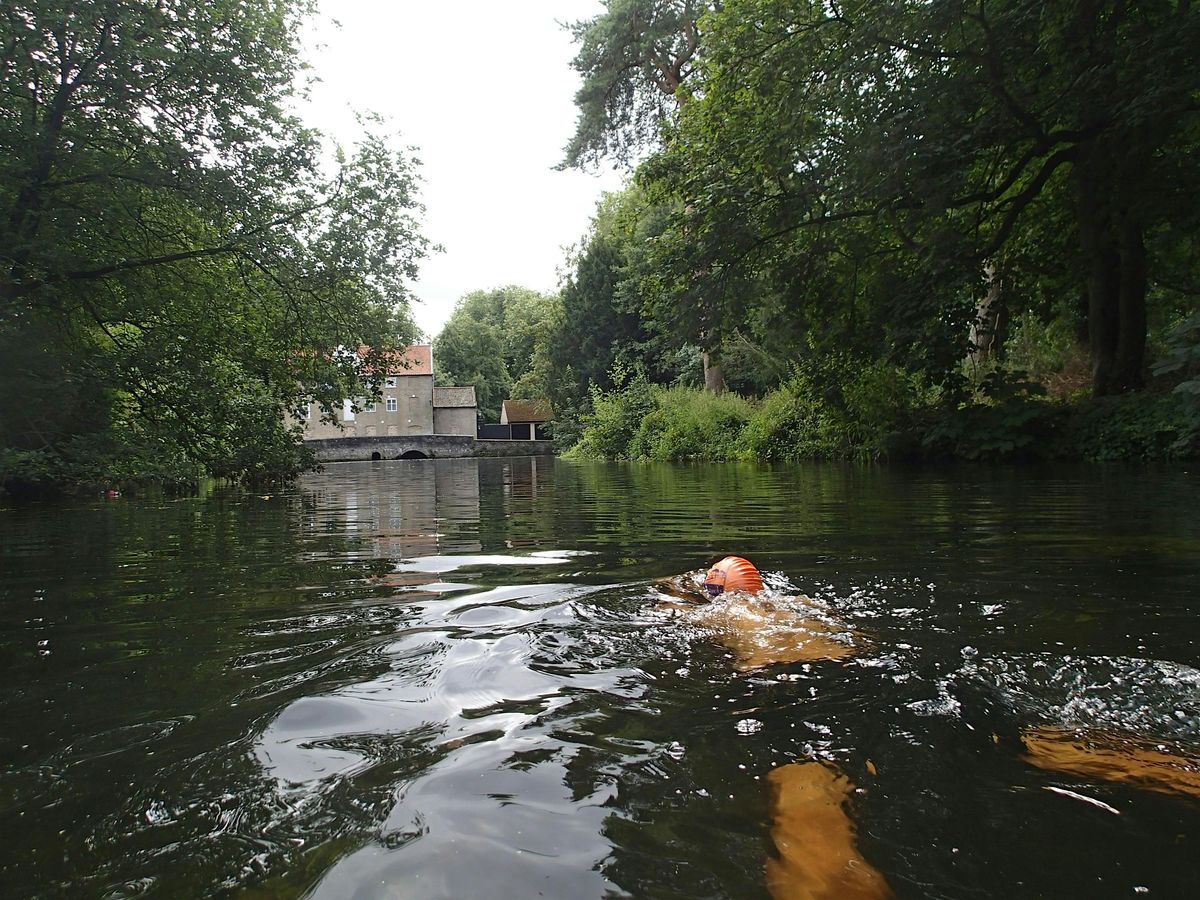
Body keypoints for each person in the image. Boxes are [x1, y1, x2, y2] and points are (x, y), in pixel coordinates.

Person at [655, 556, 1200, 900]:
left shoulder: (721, 615)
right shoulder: (802, 606)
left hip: (806, 695)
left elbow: (668, 598)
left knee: (811, 813)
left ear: (716, 590)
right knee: (1021, 742)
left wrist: (691, 591)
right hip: (890, 676)